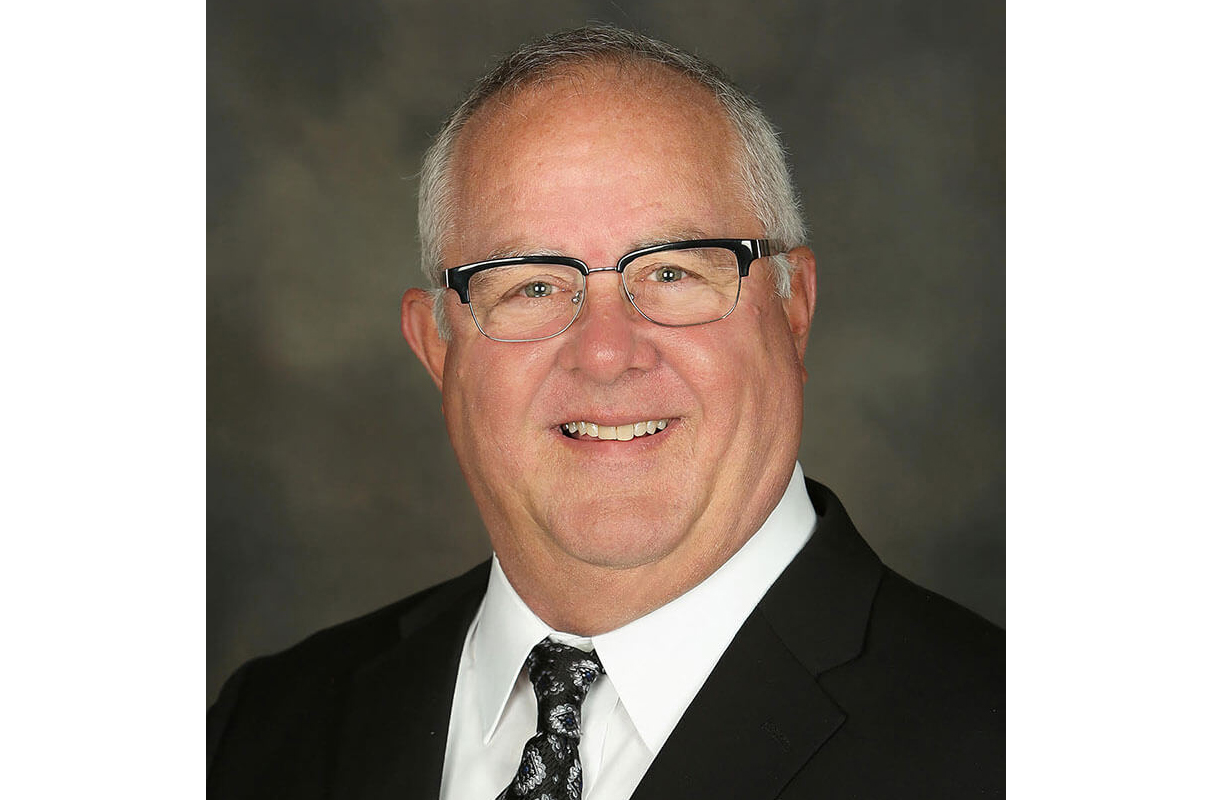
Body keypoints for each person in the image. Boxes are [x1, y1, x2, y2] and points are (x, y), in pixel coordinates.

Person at [207, 24, 1004, 800]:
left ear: (794, 311)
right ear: (438, 348)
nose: (606, 352)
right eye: (531, 285)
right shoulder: (262, 732)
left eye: (673, 273)